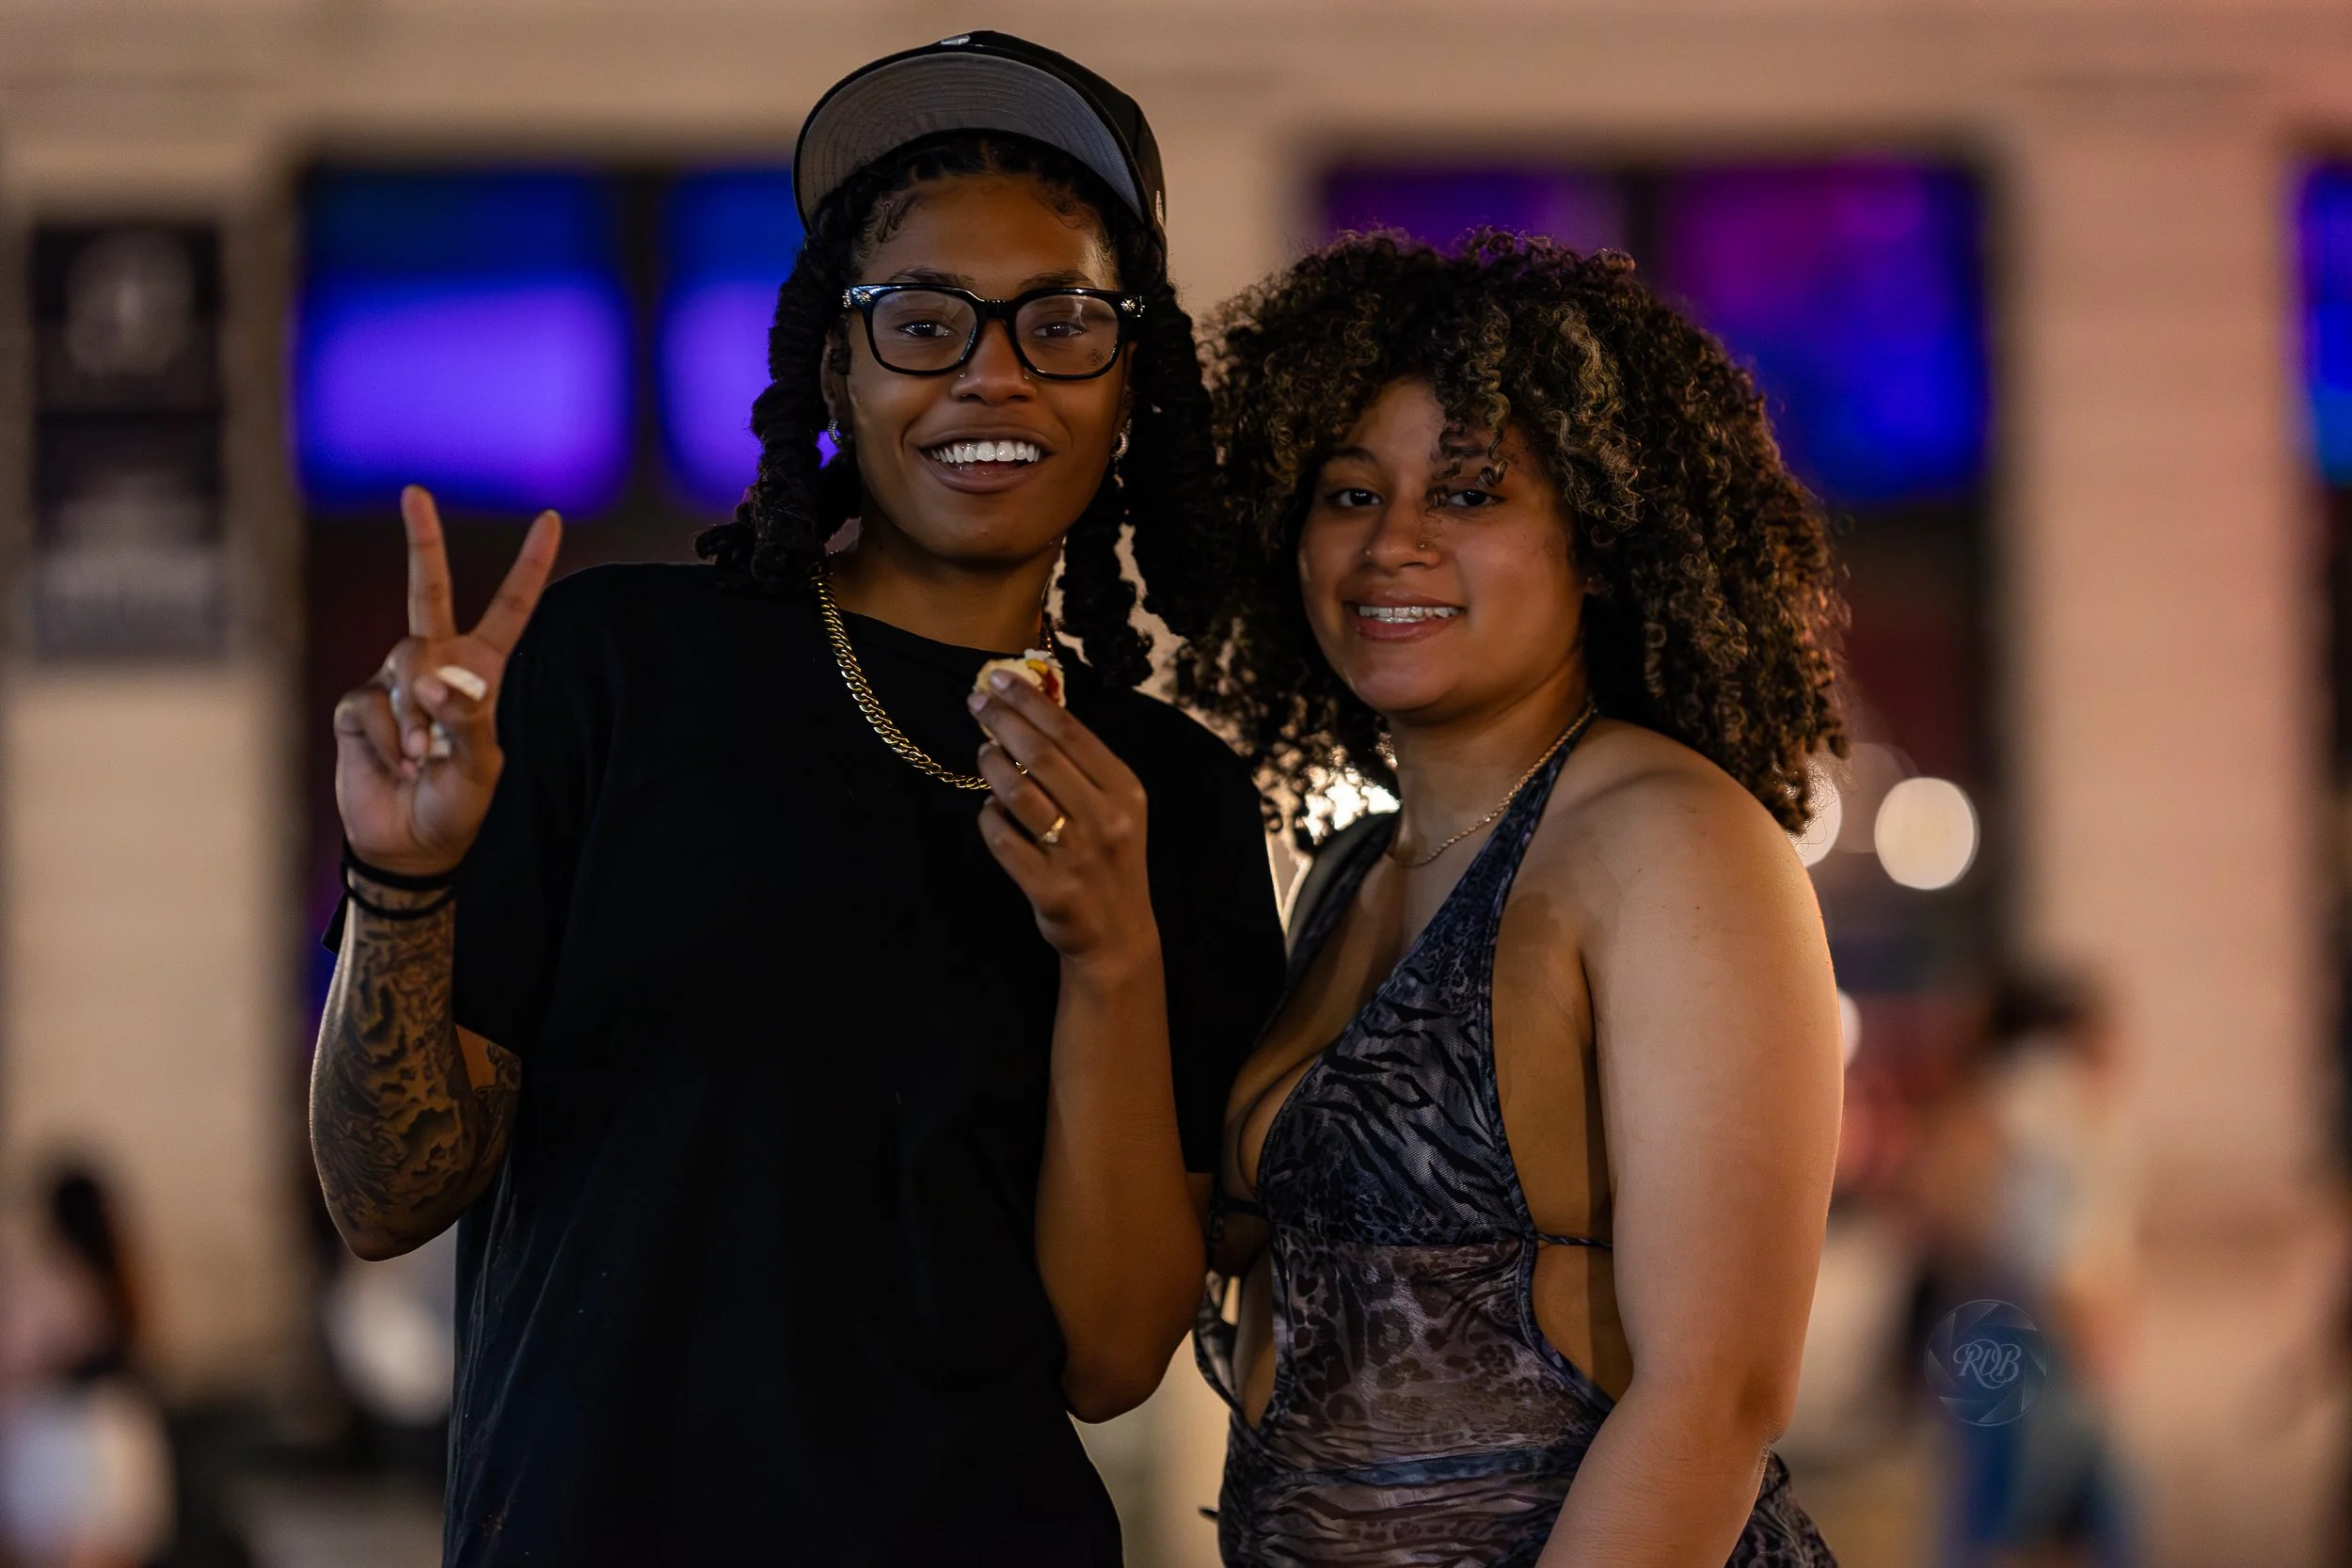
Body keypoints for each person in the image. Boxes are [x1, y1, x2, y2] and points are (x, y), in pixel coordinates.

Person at [308, 33, 1284, 1566]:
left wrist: (1113, 952)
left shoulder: (1179, 803)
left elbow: (1108, 1359)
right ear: (837, 365)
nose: (991, 369)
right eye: (922, 320)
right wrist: (401, 882)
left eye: (1061, 320)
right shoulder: (616, 671)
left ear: (1132, 378)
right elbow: (385, 1195)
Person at [1186, 230, 1847, 1566]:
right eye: (1347, 493)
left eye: (1471, 494)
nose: (1393, 546)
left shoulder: (1672, 842)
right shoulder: (1348, 876)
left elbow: (1714, 1395)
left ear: (1596, 540)